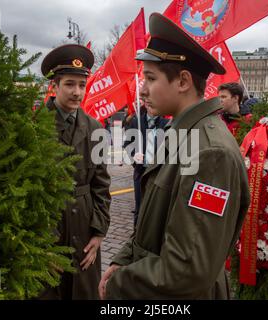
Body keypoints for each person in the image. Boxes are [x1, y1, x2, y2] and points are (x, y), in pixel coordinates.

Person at [99, 13, 250, 299]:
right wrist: (124, 257)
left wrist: (119, 285)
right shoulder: (184, 132)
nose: (142, 90)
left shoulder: (210, 153)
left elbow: (187, 268)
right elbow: (154, 221)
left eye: (150, 78)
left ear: (182, 81)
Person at [40, 44, 111, 299]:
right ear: (55, 86)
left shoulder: (95, 128)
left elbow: (101, 185)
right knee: (49, 291)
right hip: (48, 223)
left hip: (84, 225)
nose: (77, 92)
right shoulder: (36, 124)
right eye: (70, 84)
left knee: (83, 291)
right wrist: (41, 244)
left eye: (82, 85)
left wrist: (99, 232)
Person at [123, 103, 169, 227]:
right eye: (149, 104)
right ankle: (136, 235)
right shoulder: (136, 122)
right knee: (139, 206)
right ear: (146, 106)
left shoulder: (166, 123)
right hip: (140, 171)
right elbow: (127, 143)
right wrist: (134, 156)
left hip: (158, 173)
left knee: (156, 207)